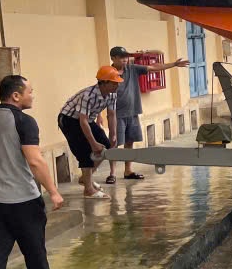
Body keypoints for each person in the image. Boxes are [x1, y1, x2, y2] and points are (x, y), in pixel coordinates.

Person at [0, 75, 68, 269]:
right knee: (34, 248)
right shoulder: (24, 121)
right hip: (23, 199)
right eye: (30, 91)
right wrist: (54, 192)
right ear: (16, 95)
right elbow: (35, 161)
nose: (33, 95)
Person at [104, 46, 188, 184]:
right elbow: (102, 92)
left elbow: (153, 68)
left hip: (133, 112)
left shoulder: (132, 69)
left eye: (126, 57)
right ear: (113, 58)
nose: (125, 60)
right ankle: (112, 173)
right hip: (116, 114)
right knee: (114, 143)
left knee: (129, 142)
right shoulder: (107, 73)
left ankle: (128, 170)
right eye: (121, 57)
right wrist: (99, 115)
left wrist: (173, 64)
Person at [58, 66, 121, 200]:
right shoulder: (88, 95)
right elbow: (83, 121)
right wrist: (92, 143)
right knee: (85, 151)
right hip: (70, 120)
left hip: (87, 120)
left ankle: (86, 179)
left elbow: (111, 114)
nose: (117, 85)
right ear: (104, 82)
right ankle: (88, 190)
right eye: (114, 82)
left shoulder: (112, 94)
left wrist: (113, 135)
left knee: (106, 146)